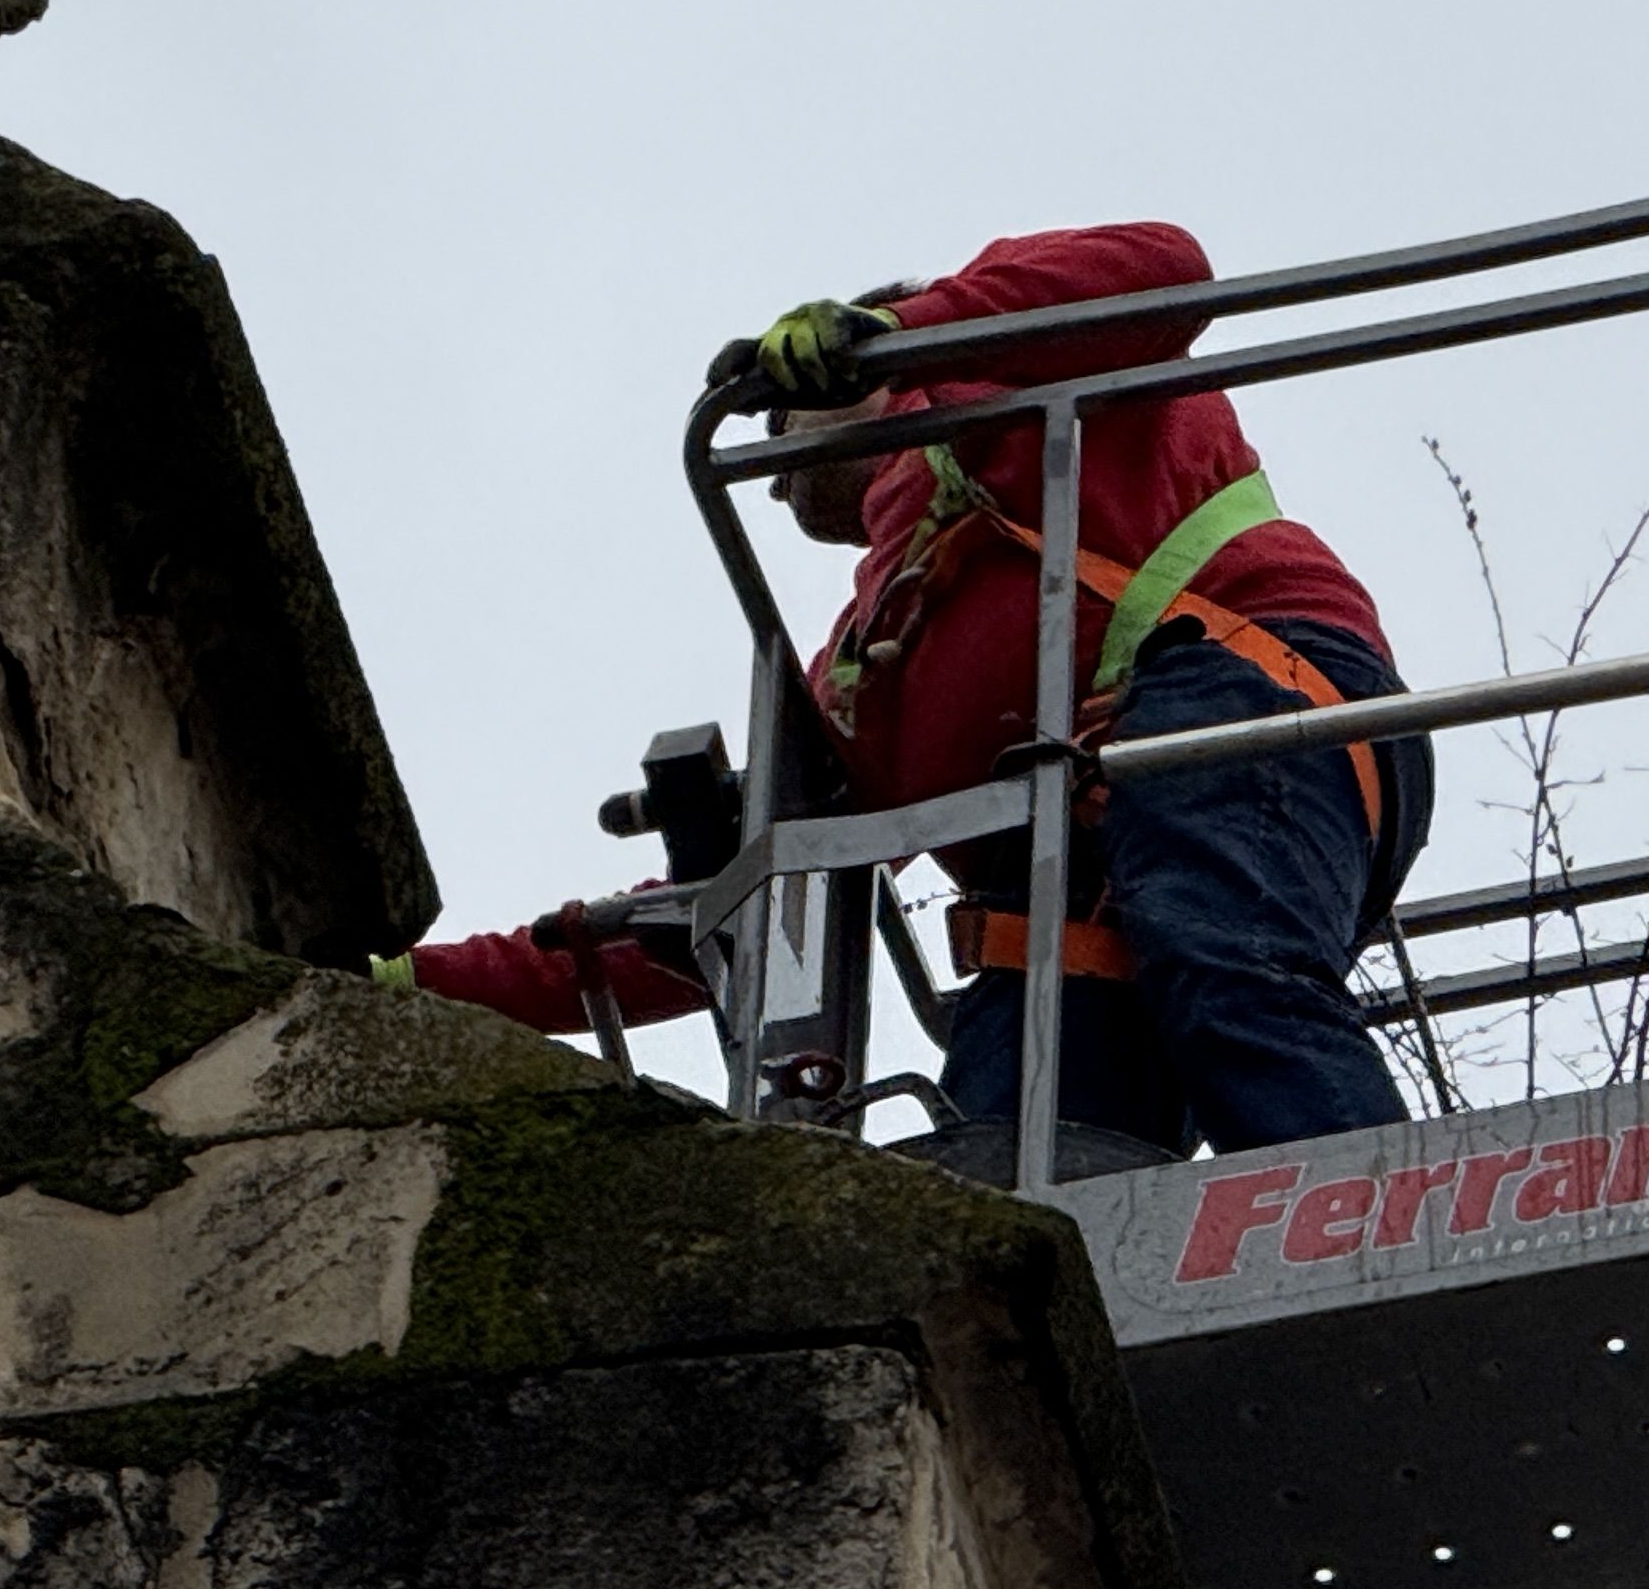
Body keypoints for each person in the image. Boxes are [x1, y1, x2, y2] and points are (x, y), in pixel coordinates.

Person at [388, 222, 1431, 1157]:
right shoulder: (868, 656)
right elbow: (724, 924)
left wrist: (900, 329)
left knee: (1223, 966)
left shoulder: (1020, 379)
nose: (770, 452)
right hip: (1075, 872)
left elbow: (1167, 269)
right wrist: (408, 982)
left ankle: (1381, 1230)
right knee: (1013, 1145)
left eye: (780, 415)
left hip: (1249, 697)